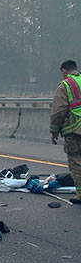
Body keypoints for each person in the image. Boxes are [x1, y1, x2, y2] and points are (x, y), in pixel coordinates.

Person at [50, 59, 81, 204]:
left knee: (76, 162)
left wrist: (54, 131)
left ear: (64, 71)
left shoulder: (66, 85)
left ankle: (80, 194)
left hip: (75, 131)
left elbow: (58, 112)